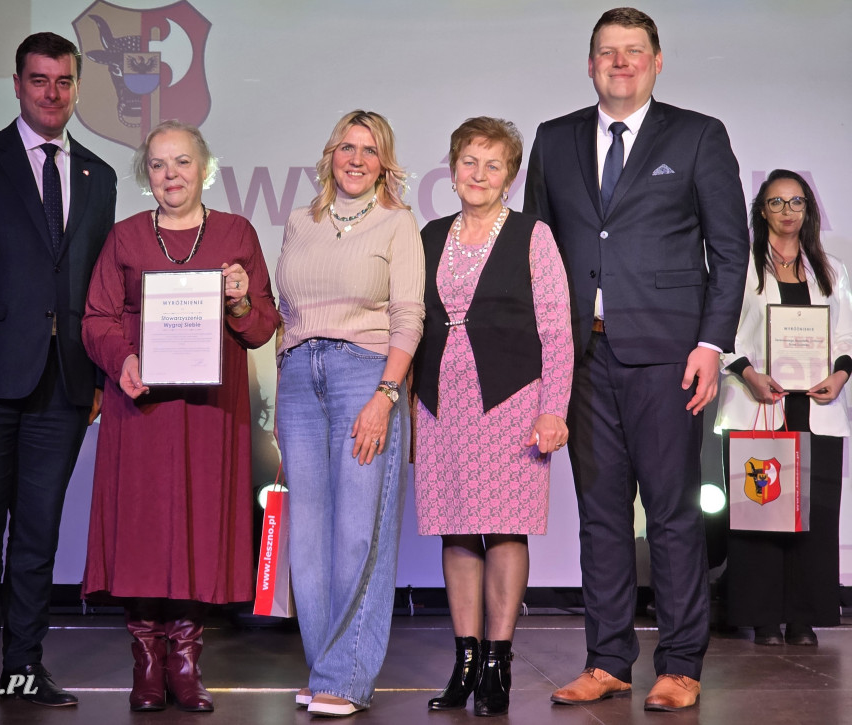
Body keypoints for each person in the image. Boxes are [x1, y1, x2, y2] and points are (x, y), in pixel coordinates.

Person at [522, 7, 749, 712]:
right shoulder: (554, 140)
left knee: (674, 514)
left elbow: (731, 249)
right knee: (600, 515)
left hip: (670, 357)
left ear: (656, 62)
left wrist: (712, 344)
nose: (620, 63)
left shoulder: (698, 134)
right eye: (607, 53)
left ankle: (680, 663)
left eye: (633, 52)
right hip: (584, 360)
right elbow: (538, 255)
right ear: (589, 65)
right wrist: (544, 364)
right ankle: (608, 658)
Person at [0, 32, 116, 712]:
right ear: (16, 84)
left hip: (64, 385)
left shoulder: (99, 173)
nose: (52, 92)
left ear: (75, 85)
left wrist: (96, 376)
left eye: (63, 81)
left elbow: (100, 292)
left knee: (38, 534)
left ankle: (25, 665)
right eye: (39, 80)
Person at [81, 120, 279, 713]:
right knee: (142, 528)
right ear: (148, 174)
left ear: (204, 167)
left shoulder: (237, 233)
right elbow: (96, 318)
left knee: (198, 528)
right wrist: (123, 358)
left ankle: (187, 662)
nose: (172, 175)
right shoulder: (124, 238)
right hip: (141, 407)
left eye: (183, 162)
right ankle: (146, 662)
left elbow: (263, 325)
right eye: (161, 164)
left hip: (210, 413)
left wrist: (241, 299)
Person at [413, 117, 573, 717]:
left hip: (511, 400)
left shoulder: (533, 235)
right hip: (440, 401)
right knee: (456, 530)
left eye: (493, 164)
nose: (478, 174)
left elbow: (557, 330)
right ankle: (466, 664)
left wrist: (553, 409)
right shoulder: (428, 234)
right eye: (469, 162)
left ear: (510, 175)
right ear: (452, 167)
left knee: (505, 528)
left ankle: (499, 667)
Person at [275, 110, 425, 717]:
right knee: (307, 540)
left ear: (384, 162)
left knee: (359, 531)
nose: (356, 159)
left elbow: (408, 317)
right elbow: (286, 313)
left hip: (366, 377)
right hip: (296, 379)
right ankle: (325, 667)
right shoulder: (297, 222)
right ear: (330, 154)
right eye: (346, 147)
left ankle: (348, 676)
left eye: (369, 150)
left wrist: (386, 396)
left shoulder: (398, 223)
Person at [716, 170, 852, 647]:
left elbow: (846, 334)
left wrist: (840, 373)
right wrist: (748, 373)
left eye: (796, 202)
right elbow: (724, 332)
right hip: (760, 401)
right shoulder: (743, 267)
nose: (788, 211)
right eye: (777, 202)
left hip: (816, 405)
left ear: (808, 210)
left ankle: (802, 618)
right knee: (760, 511)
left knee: (815, 513)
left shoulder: (830, 268)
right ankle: (763, 618)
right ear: (762, 211)